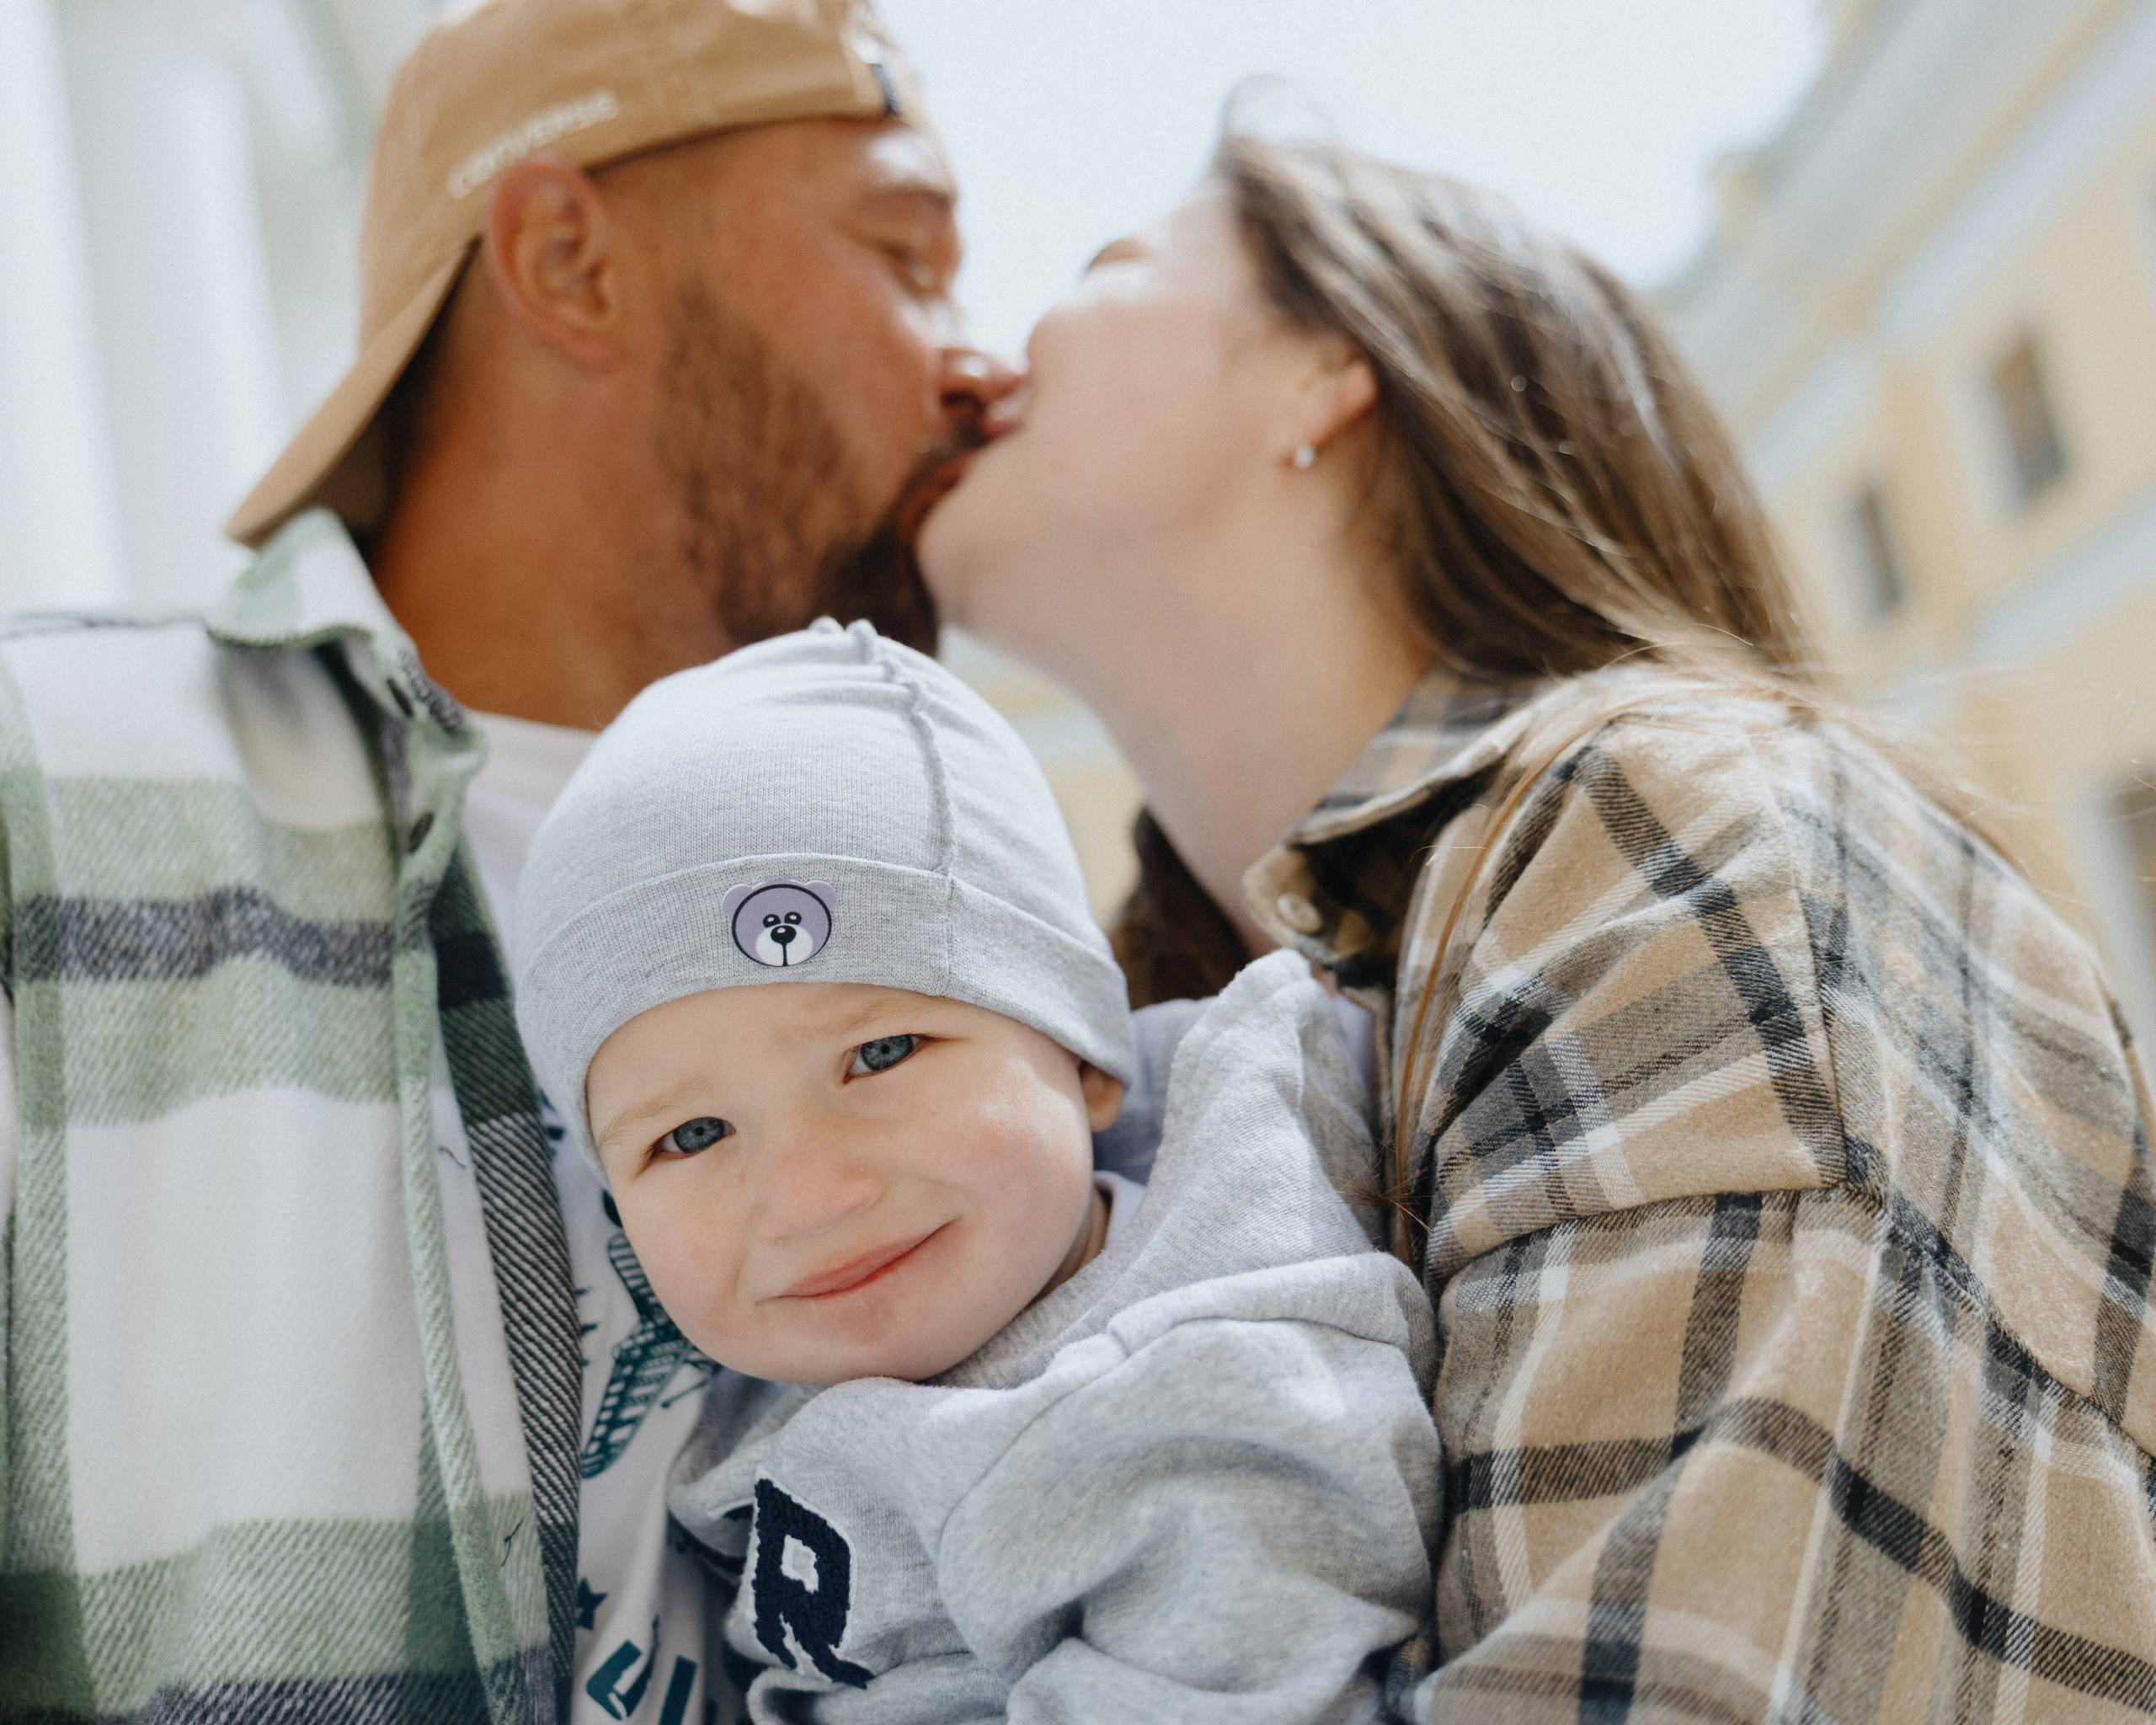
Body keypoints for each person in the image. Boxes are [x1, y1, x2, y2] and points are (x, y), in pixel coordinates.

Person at [919, 118, 2156, 1721]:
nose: (972, 361)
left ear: (1325, 368)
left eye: (1110, 270)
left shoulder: (1665, 831)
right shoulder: (1231, 1030)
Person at [0, 0, 1015, 1717]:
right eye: (904, 250)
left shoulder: (970, 882)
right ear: (568, 260)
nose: (976, 365)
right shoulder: (47, 787)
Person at [510, 617, 1442, 1723]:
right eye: (693, 1137)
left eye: (880, 1056)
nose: (809, 1196)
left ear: (1085, 1057)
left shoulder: (1195, 1398)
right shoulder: (739, 1374)